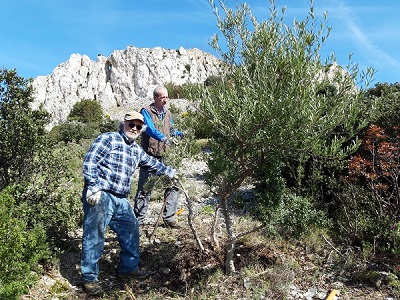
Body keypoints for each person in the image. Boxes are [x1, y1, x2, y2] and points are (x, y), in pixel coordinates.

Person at [81, 110, 177, 296]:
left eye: (138, 126)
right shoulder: (108, 139)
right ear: (123, 124)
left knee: (132, 230)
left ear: (142, 130)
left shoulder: (135, 150)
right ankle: (89, 278)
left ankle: (128, 268)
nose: (134, 128)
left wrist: (169, 171)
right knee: (94, 236)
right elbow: (90, 161)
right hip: (101, 195)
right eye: (131, 124)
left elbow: (151, 163)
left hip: (121, 198)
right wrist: (92, 186)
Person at [134, 85, 184, 228]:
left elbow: (172, 129)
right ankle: (138, 220)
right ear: (155, 98)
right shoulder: (146, 111)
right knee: (145, 188)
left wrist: (180, 134)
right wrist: (164, 138)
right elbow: (149, 128)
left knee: (173, 184)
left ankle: (169, 218)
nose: (166, 100)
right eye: (163, 97)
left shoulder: (167, 113)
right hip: (149, 156)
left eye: (167, 97)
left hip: (166, 155)